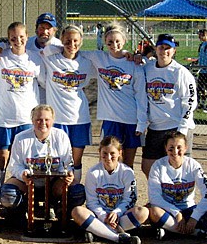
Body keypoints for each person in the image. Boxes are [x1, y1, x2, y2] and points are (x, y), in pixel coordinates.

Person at [45, 21, 147, 169]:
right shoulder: (99, 57)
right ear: (105, 42)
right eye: (110, 41)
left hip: (131, 118)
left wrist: (142, 121)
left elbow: (141, 95)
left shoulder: (134, 65)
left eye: (118, 41)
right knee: (108, 160)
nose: (114, 44)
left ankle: (129, 191)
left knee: (128, 163)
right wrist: (64, 45)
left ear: (124, 41)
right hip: (110, 118)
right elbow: (73, 51)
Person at [0, 104, 85, 221]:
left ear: (53, 120)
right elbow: (14, 166)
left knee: (77, 192)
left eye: (46, 119)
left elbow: (67, 164)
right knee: (7, 193)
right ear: (32, 121)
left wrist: (67, 174)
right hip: (29, 183)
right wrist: (23, 174)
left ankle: (60, 210)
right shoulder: (21, 138)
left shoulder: (61, 136)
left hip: (54, 184)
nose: (42, 123)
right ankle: (22, 212)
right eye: (38, 120)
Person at [41, 25, 96, 183]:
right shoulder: (51, 59)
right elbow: (46, 48)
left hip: (79, 118)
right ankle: (55, 195)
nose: (72, 44)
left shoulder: (86, 63)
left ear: (81, 42)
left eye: (75, 41)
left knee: (76, 161)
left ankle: (74, 191)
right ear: (61, 40)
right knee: (55, 161)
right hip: (57, 119)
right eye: (67, 40)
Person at [0, 22, 45, 173]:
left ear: (27, 37)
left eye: (21, 36)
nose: (18, 40)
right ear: (8, 39)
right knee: (2, 158)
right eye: (13, 37)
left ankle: (26, 193)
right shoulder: (1, 56)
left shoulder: (35, 59)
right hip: (4, 118)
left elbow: (44, 82)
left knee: (26, 159)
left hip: (26, 118)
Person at [72, 136, 147, 244]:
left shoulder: (127, 172)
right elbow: (92, 202)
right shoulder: (93, 173)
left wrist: (116, 213)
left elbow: (130, 199)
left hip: (120, 216)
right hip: (99, 216)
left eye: (112, 153)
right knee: (77, 212)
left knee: (143, 212)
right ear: (99, 153)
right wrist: (104, 216)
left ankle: (99, 232)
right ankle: (118, 238)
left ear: (119, 153)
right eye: (104, 153)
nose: (108, 157)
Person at [142, 33, 197, 178]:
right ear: (155, 49)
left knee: (179, 168)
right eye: (161, 47)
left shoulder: (180, 72)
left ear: (173, 51)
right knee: (148, 166)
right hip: (156, 126)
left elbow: (190, 101)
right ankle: (159, 195)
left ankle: (177, 198)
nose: (164, 51)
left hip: (176, 126)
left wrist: (182, 130)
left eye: (168, 48)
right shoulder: (147, 69)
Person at [148, 131, 207, 240]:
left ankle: (170, 232)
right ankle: (196, 233)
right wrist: (176, 213)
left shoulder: (193, 165)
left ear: (186, 148)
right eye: (171, 148)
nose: (175, 152)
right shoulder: (158, 166)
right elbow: (154, 197)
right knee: (154, 211)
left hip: (189, 210)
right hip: (169, 212)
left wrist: (194, 217)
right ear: (165, 148)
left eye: (179, 147)